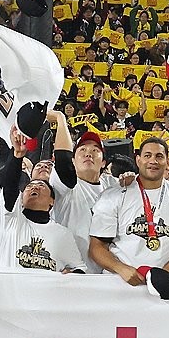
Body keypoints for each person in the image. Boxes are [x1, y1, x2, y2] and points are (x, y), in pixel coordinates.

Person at [89, 137, 169, 283]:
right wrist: (120, 268)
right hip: (118, 282)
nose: (153, 160)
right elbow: (97, 247)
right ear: (138, 160)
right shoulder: (113, 194)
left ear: (168, 162)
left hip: (162, 284)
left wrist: (160, 277)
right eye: (147, 156)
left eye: (159, 156)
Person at [0, 126, 84, 272]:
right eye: (30, 186)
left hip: (46, 295)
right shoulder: (10, 219)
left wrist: (73, 274)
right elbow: (10, 186)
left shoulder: (63, 234)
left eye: (41, 186)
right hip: (13, 294)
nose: (34, 187)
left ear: (52, 201)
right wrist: (17, 155)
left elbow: (80, 268)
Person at [46, 110, 117, 270]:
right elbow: (62, 160)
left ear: (104, 162)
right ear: (73, 159)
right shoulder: (67, 186)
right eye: (82, 150)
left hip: (107, 276)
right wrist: (60, 118)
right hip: (71, 274)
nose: (88, 154)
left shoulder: (112, 189)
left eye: (95, 151)